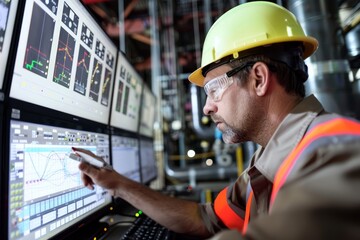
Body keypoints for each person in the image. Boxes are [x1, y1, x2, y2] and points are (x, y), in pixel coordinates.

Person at [77, 1, 360, 239]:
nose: (207, 108)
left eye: (213, 89)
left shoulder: (335, 152)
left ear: (258, 79)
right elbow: (204, 218)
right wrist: (117, 184)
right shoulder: (265, 160)